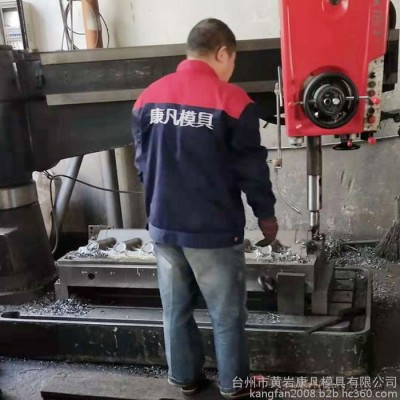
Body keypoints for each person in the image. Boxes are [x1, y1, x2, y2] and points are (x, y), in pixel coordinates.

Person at [132, 18, 277, 398]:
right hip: (213, 232)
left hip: (164, 227)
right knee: (226, 315)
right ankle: (234, 385)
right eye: (233, 61)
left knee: (175, 310)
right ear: (223, 53)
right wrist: (266, 215)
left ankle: (185, 379)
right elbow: (252, 171)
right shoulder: (233, 101)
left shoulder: (148, 97)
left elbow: (142, 164)